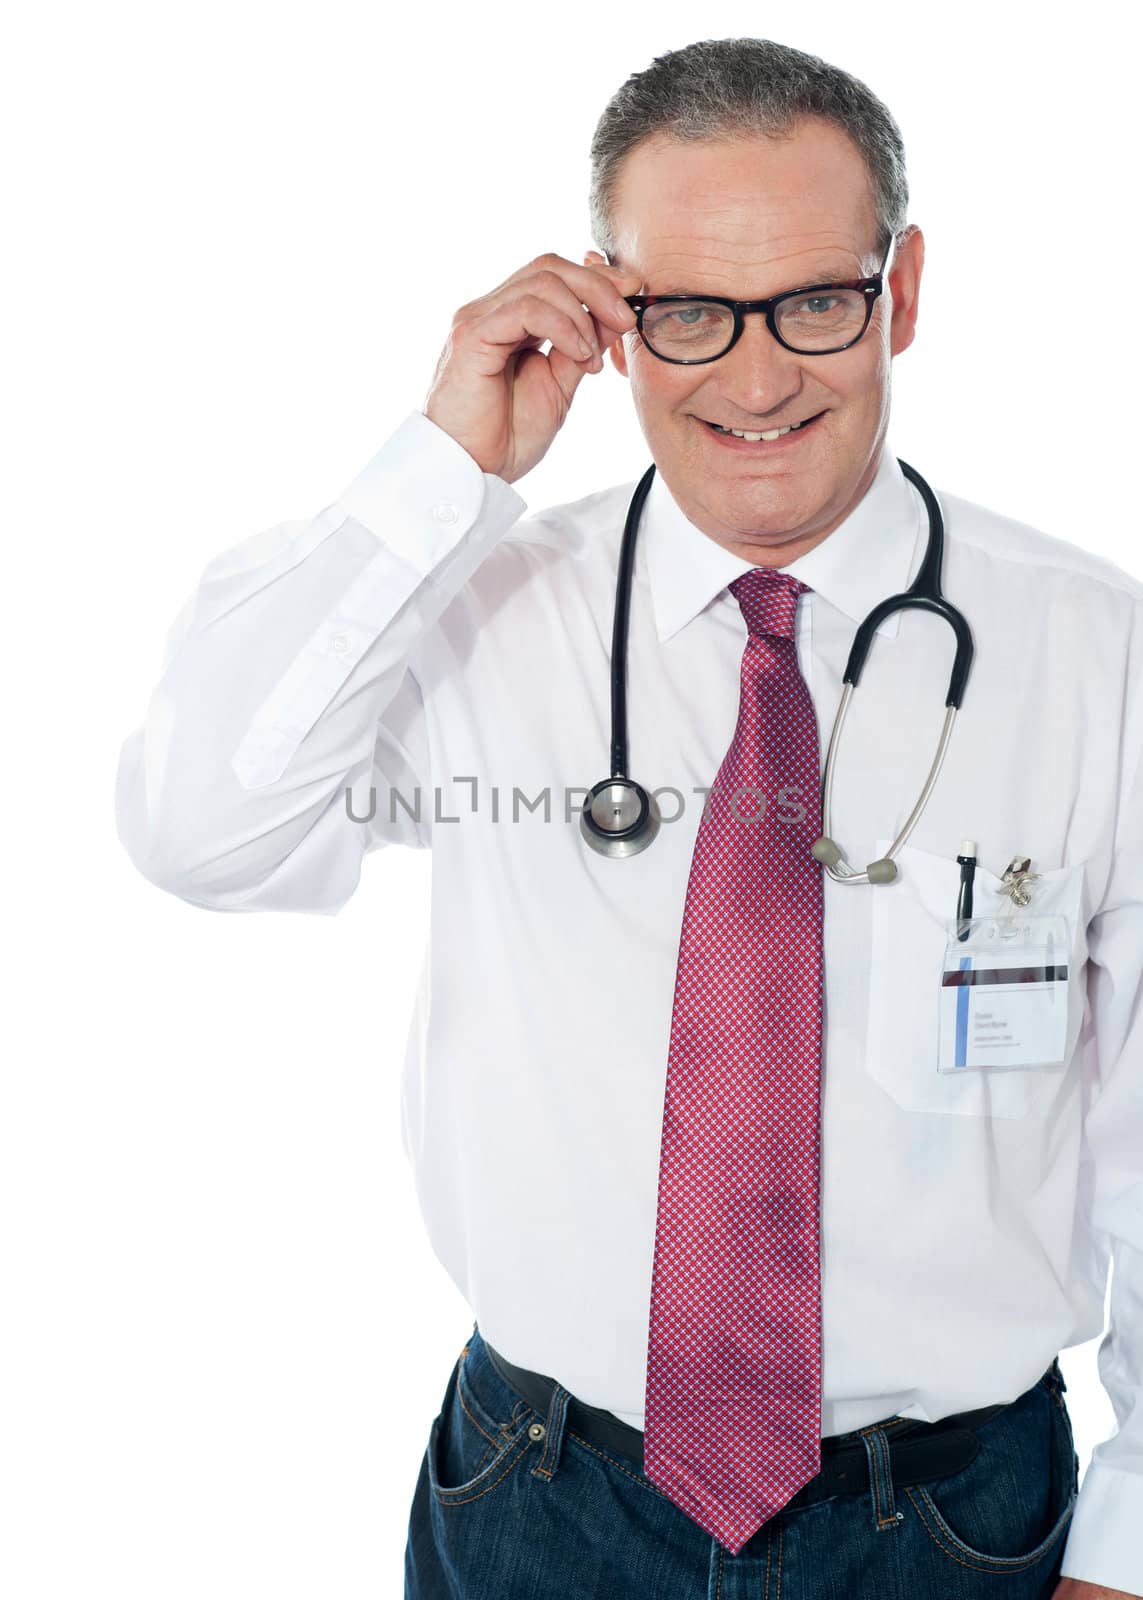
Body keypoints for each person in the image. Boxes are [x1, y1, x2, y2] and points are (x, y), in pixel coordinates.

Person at [114, 35, 1142, 1600]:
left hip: (951, 1529)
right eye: (688, 313)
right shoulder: (475, 607)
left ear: (904, 291)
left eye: (816, 299)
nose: (754, 375)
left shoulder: (1093, 651)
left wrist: (1133, 1544)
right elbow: (200, 830)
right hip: (541, 1504)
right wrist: (443, 467)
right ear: (611, 308)